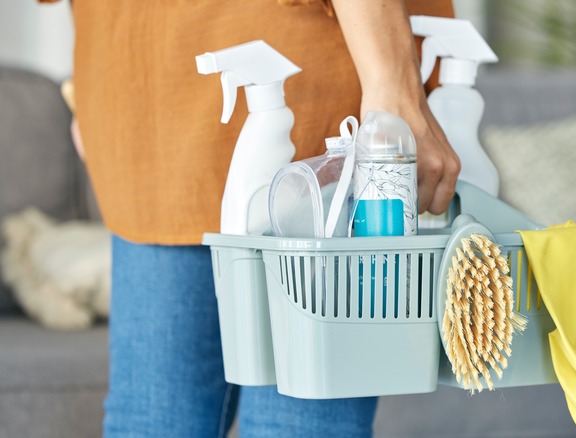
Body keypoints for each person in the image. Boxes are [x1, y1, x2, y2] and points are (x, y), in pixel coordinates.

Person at [42, 0, 460, 436]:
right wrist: (393, 88)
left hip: (147, 89)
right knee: (295, 424)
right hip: (284, 82)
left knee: (157, 423)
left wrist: (99, 76)